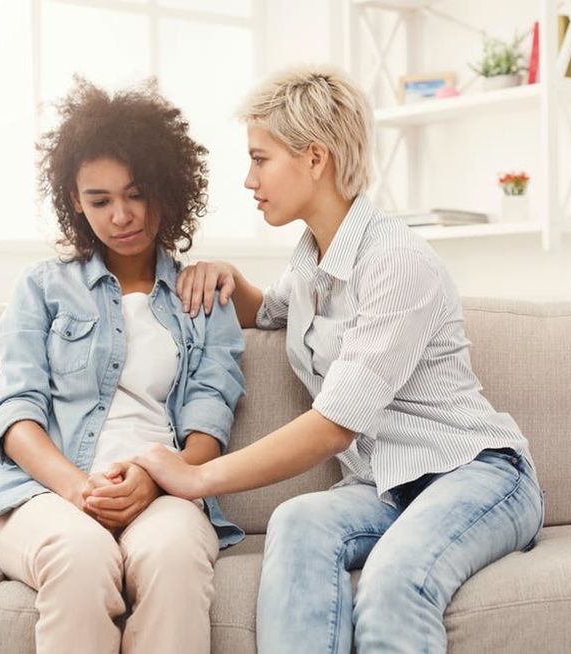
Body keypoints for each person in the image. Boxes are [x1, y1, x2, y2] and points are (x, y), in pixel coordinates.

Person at [120, 66, 545, 653]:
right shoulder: (311, 259)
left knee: (394, 579)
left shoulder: (395, 261)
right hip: (387, 487)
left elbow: (333, 428)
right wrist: (226, 277)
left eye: (260, 158)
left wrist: (196, 477)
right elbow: (266, 311)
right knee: (296, 521)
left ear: (314, 158)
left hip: (475, 476)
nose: (249, 179)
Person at [0, 78, 246, 654]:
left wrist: (156, 479)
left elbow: (208, 426)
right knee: (81, 556)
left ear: (167, 189)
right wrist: (76, 489)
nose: (121, 215)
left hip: (165, 493)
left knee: (173, 559)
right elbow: (17, 414)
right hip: (46, 493)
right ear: (75, 200)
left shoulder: (202, 296)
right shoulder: (41, 289)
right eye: (99, 200)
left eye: (136, 193)